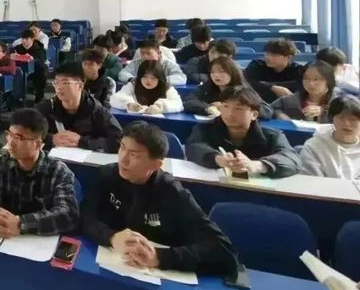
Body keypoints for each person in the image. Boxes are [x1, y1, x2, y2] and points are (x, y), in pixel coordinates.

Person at [81, 122, 238, 275]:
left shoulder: (172, 192)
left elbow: (223, 250)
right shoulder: (106, 175)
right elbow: (85, 217)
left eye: (134, 154)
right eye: (122, 147)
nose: (123, 159)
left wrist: (159, 257)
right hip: (110, 266)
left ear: (156, 164)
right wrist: (112, 237)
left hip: (157, 278)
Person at [0, 108, 79, 237]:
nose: (10, 142)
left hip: (38, 240)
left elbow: (69, 214)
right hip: (4, 236)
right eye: (9, 134)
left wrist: (20, 223)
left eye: (18, 137)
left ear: (38, 144)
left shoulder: (58, 171)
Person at [185, 86, 301, 178]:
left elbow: (292, 159)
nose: (230, 113)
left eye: (238, 109)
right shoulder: (205, 128)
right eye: (225, 106)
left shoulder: (272, 136)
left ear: (254, 114)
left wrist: (257, 165)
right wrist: (218, 159)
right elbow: (193, 147)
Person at [37, 61, 122, 152]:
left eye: (65, 83)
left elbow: (119, 141)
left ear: (80, 86)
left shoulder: (96, 110)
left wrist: (82, 141)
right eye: (56, 83)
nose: (59, 87)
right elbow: (29, 133)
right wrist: (51, 139)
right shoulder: (47, 107)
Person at [183, 56, 270, 118]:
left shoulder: (243, 89)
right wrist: (208, 108)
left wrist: (226, 107)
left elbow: (266, 111)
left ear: (232, 73)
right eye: (212, 72)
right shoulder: (208, 86)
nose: (216, 75)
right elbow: (188, 101)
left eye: (221, 71)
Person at [300, 96, 360, 179]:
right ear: (332, 119)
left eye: (352, 119)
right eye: (340, 118)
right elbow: (312, 182)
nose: (346, 123)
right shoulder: (313, 146)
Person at [272, 60, 341, 122]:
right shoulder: (292, 99)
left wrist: (324, 112)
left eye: (316, 79)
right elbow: (270, 109)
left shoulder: (339, 102)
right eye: (306, 78)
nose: (310, 83)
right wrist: (280, 115)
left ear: (328, 80)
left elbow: (344, 117)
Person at [243, 39, 305, 103]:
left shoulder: (298, 70)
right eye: (267, 54)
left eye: (274, 55)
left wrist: (263, 85)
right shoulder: (257, 65)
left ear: (289, 57)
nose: (268, 58)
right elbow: (246, 82)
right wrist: (273, 87)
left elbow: (301, 84)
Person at [111, 60, 183, 114]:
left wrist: (160, 107)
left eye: (153, 78)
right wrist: (129, 104)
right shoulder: (134, 84)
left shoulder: (166, 87)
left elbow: (178, 104)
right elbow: (114, 99)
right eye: (145, 76)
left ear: (159, 78)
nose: (148, 80)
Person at [117, 39, 186, 86]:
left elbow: (181, 78)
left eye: (148, 53)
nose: (145, 56)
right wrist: (132, 79)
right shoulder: (136, 63)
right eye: (142, 53)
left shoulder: (169, 64)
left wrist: (159, 80)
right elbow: (122, 73)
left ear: (159, 53)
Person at [12, 28, 48, 102]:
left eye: (26, 39)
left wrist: (32, 59)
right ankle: (17, 98)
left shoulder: (40, 48)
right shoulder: (17, 48)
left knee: (42, 73)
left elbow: (41, 61)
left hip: (36, 70)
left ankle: (39, 97)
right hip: (20, 70)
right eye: (22, 39)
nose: (24, 41)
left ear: (32, 39)